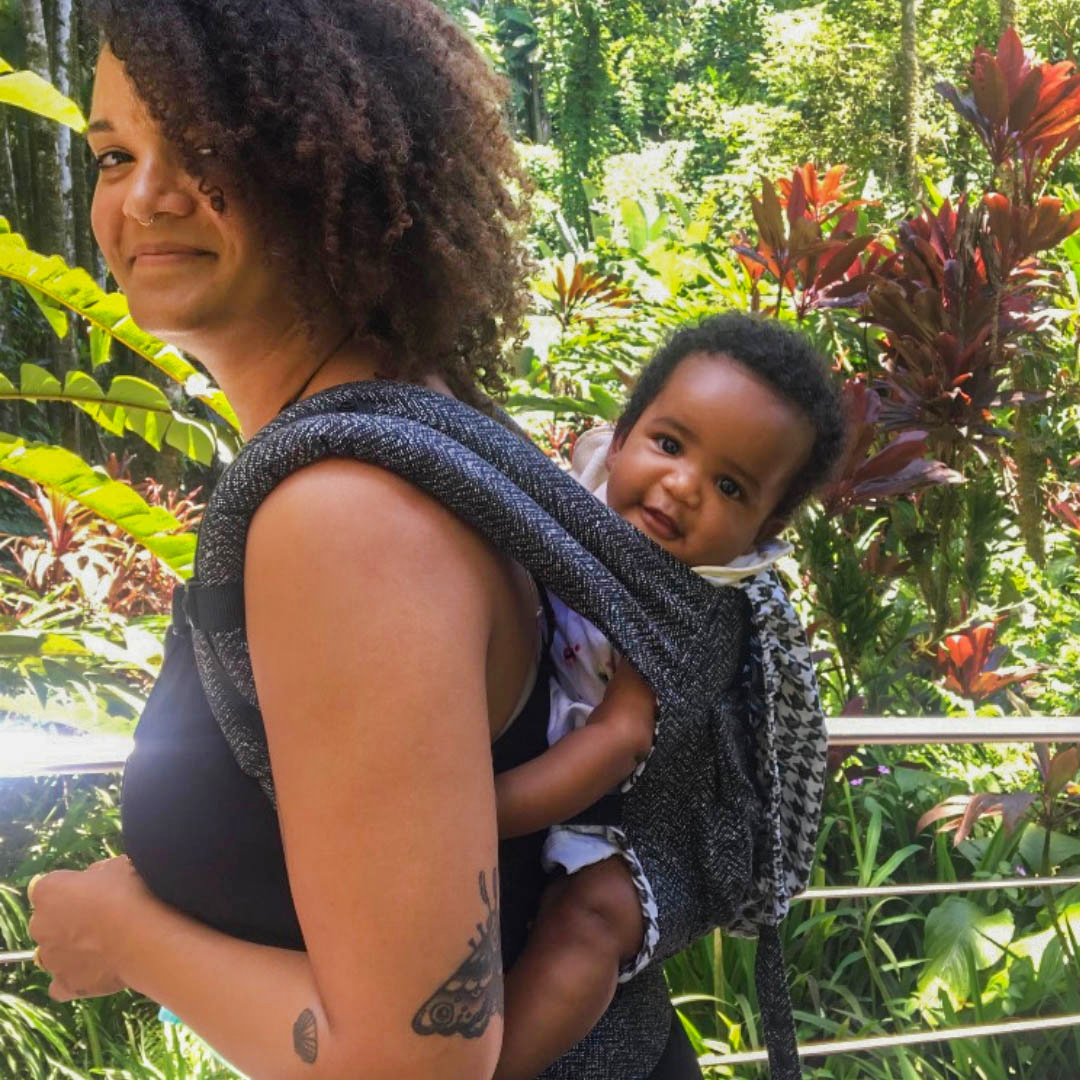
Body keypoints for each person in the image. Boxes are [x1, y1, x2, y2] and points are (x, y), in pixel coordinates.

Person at [21, 2, 705, 1078]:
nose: (145, 196)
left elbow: (410, 1066)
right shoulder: (426, 427)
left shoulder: (344, 512)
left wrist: (125, 936)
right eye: (115, 154)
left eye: (203, 148)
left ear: (323, 155)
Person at [492, 313, 846, 1080]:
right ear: (621, 436)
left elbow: (621, 738)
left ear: (763, 528)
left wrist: (481, 813)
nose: (681, 486)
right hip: (574, 764)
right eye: (669, 443)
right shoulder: (568, 492)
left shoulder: (693, 607)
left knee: (591, 922)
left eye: (729, 486)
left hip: (660, 821)